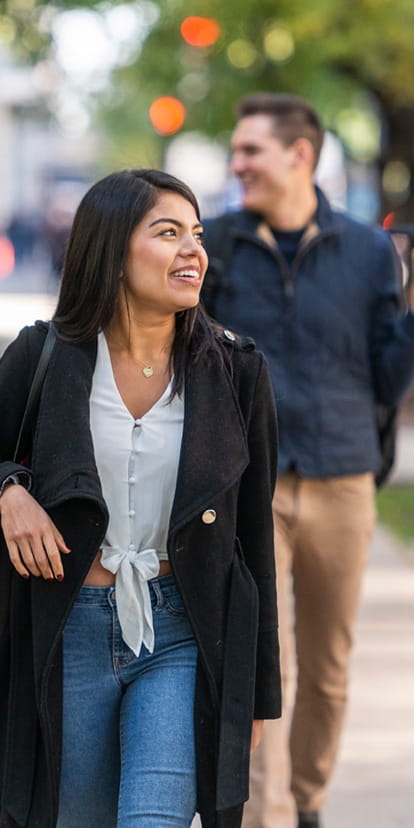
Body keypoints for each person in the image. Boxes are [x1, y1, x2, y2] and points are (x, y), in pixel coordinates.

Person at [0, 168, 281, 828]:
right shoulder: (42, 356)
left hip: (182, 634)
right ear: (112, 250)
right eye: (167, 233)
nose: (194, 250)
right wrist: (9, 490)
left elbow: (255, 548)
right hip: (70, 630)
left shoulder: (238, 371)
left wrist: (257, 697)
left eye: (197, 234)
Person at [202, 93, 414, 828]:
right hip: (248, 485)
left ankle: (312, 802)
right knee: (263, 667)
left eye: (250, 151)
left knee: (325, 670)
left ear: (300, 155)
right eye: (236, 152)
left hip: (343, 478)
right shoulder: (218, 243)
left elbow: (390, 380)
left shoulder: (365, 250)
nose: (237, 165)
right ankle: (269, 818)